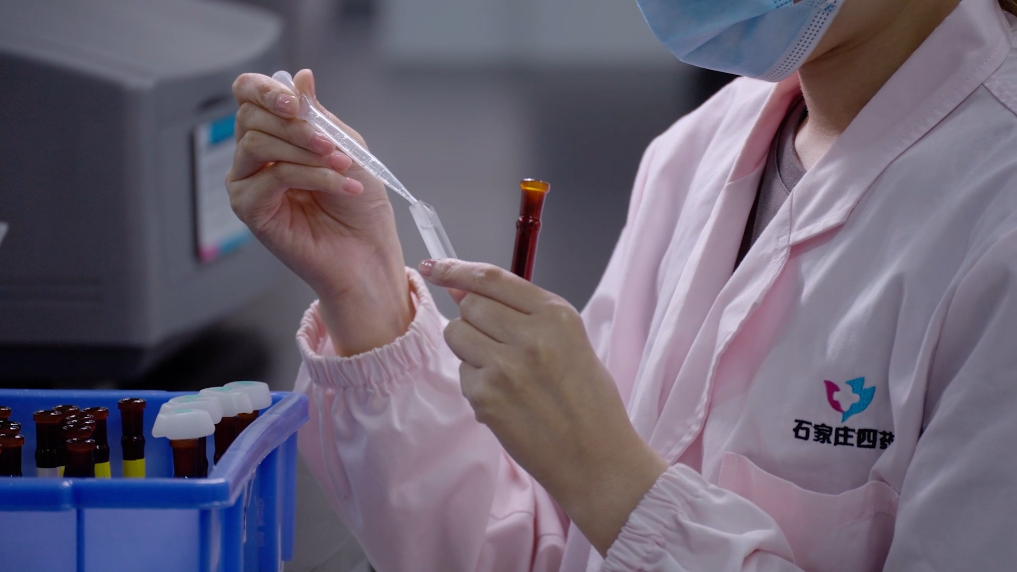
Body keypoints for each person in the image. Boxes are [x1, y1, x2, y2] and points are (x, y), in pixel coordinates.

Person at [226, 0, 1017, 569]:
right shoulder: (697, 153)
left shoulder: (996, 217)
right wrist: (363, 288)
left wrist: (614, 482)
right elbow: (554, 548)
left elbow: (609, 498)